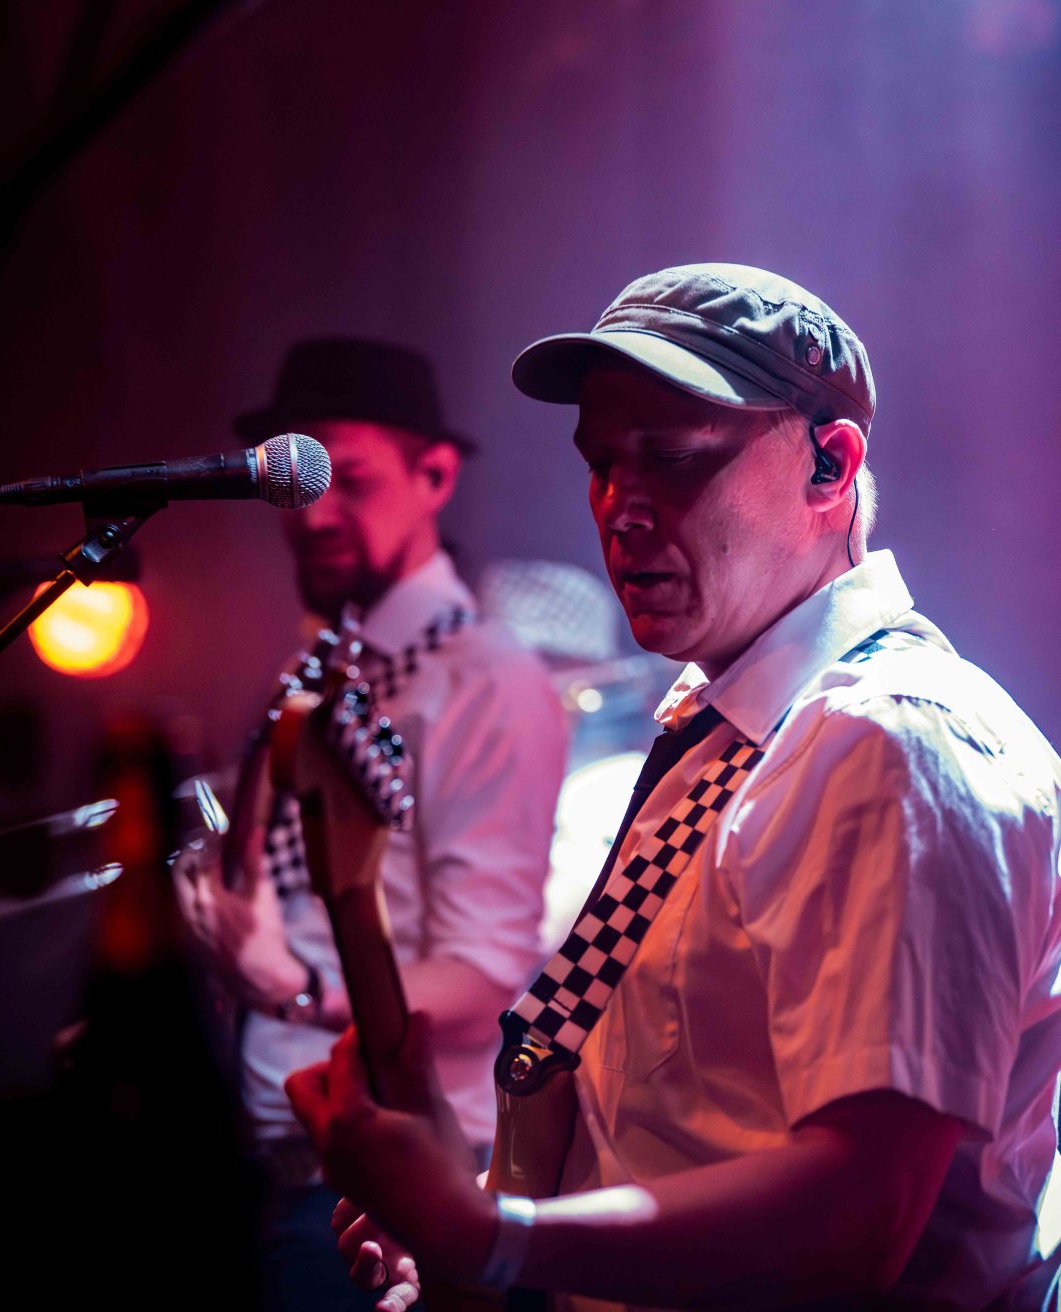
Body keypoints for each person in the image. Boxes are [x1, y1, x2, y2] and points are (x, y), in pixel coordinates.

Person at [287, 268, 1061, 1312]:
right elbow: (680, 1131)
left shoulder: (889, 740)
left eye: (676, 458)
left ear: (829, 465)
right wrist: (479, 1219)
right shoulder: (725, 727)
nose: (620, 507)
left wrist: (491, 1235)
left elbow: (858, 1216)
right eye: (600, 463)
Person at [177, 336, 567, 1312]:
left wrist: (290, 985)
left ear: (434, 476)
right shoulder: (323, 670)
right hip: (284, 1168)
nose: (313, 514)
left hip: (383, 1192)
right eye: (297, 486)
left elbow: (485, 970)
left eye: (348, 480)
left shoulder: (484, 678)